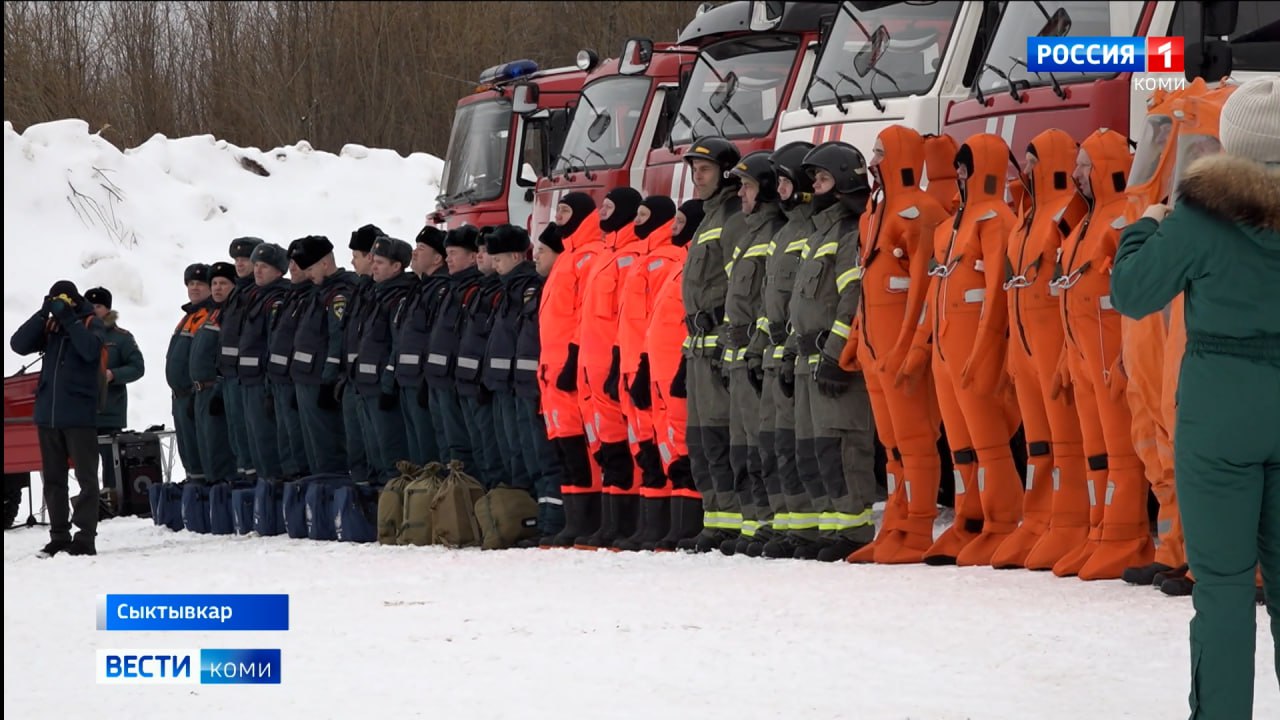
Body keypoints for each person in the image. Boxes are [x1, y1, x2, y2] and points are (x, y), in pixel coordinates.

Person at [1110, 75, 1279, 720]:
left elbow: (1133, 293)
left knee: (1224, 588)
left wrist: (1144, 229)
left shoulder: (1203, 217)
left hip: (1219, 415)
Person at [786, 141, 876, 562]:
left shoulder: (848, 232)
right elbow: (800, 304)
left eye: (821, 179)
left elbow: (851, 300)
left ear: (841, 182)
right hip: (809, 361)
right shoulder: (818, 232)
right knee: (815, 449)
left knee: (844, 448)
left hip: (833, 360)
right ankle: (828, 526)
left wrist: (838, 355)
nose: (814, 187)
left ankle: (854, 530)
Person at [679, 136, 744, 552]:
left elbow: (743, 285)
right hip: (698, 344)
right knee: (702, 437)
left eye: (704, 170)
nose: (697, 177)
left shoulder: (733, 218)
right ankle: (716, 519)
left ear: (726, 174)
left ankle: (735, 520)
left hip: (719, 340)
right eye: (694, 170)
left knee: (723, 434)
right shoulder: (708, 218)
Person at [721, 153, 787, 555]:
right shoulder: (748, 234)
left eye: (746, 187)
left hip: (758, 353)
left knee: (765, 442)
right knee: (743, 445)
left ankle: (771, 519)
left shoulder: (773, 233)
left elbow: (768, 301)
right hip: (739, 353)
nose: (740, 194)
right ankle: (754, 520)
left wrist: (757, 349)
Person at [11, 280, 106, 557]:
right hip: (48, 415)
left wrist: (69, 319)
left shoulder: (90, 322)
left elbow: (90, 351)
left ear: (74, 300)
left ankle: (85, 537)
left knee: (86, 478)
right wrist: (42, 314)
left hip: (79, 415)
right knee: (53, 479)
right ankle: (59, 536)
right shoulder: (51, 325)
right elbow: (18, 344)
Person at [289, 235, 356, 476]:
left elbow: (336, 340)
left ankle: (333, 488)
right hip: (306, 378)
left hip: (320, 380)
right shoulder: (318, 292)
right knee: (313, 448)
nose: (307, 275)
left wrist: (329, 381)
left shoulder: (339, 294)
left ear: (325, 263)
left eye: (310, 269)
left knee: (328, 445)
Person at [85, 287, 145, 485]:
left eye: (98, 306)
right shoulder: (79, 335)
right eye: (90, 306)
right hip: (82, 413)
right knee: (85, 467)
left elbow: (137, 367)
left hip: (110, 413)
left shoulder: (121, 338)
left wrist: (114, 375)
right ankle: (91, 500)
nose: (94, 310)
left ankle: (112, 498)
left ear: (108, 309)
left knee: (112, 468)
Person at [218, 236, 264, 481]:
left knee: (252, 431)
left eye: (245, 259)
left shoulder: (258, 293)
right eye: (236, 259)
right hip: (230, 375)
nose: (239, 264)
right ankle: (244, 475)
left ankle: (255, 479)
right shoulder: (237, 293)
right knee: (237, 430)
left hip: (248, 375)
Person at [189, 262, 239, 485]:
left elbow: (226, 356)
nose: (217, 288)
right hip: (202, 392)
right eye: (214, 283)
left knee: (221, 450)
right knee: (207, 451)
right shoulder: (212, 314)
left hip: (217, 389)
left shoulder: (231, 313)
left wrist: (218, 387)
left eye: (223, 283)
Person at [167, 264, 214, 482]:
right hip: (181, 397)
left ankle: (204, 491)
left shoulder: (208, 316)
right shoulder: (188, 317)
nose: (195, 287)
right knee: (189, 453)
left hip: (195, 394)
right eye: (191, 283)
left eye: (200, 283)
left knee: (202, 451)